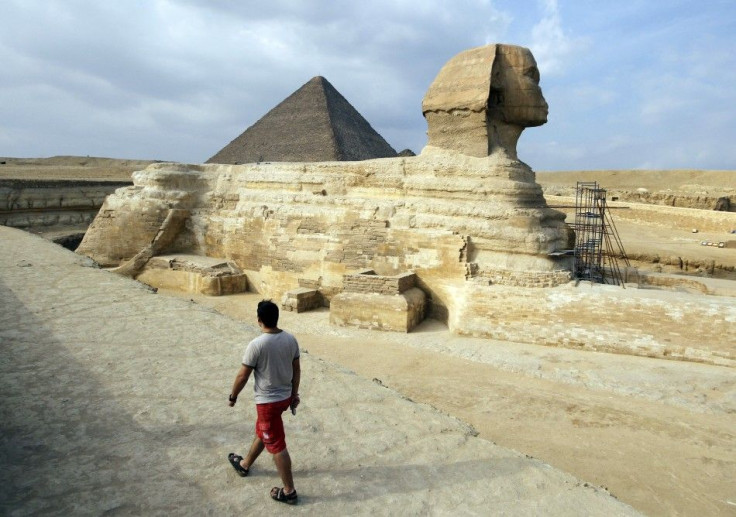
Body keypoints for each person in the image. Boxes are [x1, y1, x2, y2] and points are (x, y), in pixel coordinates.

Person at [227, 299, 301, 505]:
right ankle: (245, 464)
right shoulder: (290, 339)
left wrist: (233, 396)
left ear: (259, 320)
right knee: (264, 431)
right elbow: (296, 370)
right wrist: (294, 394)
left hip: (268, 402)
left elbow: (243, 376)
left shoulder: (257, 345)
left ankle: (289, 491)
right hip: (284, 398)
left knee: (277, 445)